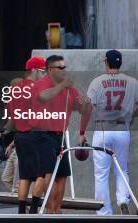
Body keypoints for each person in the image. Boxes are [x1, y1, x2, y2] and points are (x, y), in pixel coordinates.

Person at [84, 50, 138, 215]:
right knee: (122, 169)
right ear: (120, 63)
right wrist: (130, 117)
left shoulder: (97, 82)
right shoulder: (132, 82)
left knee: (101, 173)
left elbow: (89, 107)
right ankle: (123, 200)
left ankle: (104, 211)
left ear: (106, 62)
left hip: (103, 129)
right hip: (122, 129)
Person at [30, 55, 92, 214]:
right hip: (43, 134)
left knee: (63, 174)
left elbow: (82, 109)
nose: (64, 70)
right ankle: (49, 210)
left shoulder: (70, 88)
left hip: (60, 136)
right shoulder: (40, 84)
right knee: (49, 173)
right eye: (60, 67)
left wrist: (86, 105)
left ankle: (56, 210)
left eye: (65, 67)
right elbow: (43, 97)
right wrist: (62, 86)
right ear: (50, 69)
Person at [5, 56, 47, 214]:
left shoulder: (15, 88)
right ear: (34, 70)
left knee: (24, 176)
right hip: (36, 135)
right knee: (40, 174)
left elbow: (11, 113)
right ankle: (34, 209)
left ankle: (21, 210)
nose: (44, 75)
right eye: (42, 71)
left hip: (20, 137)